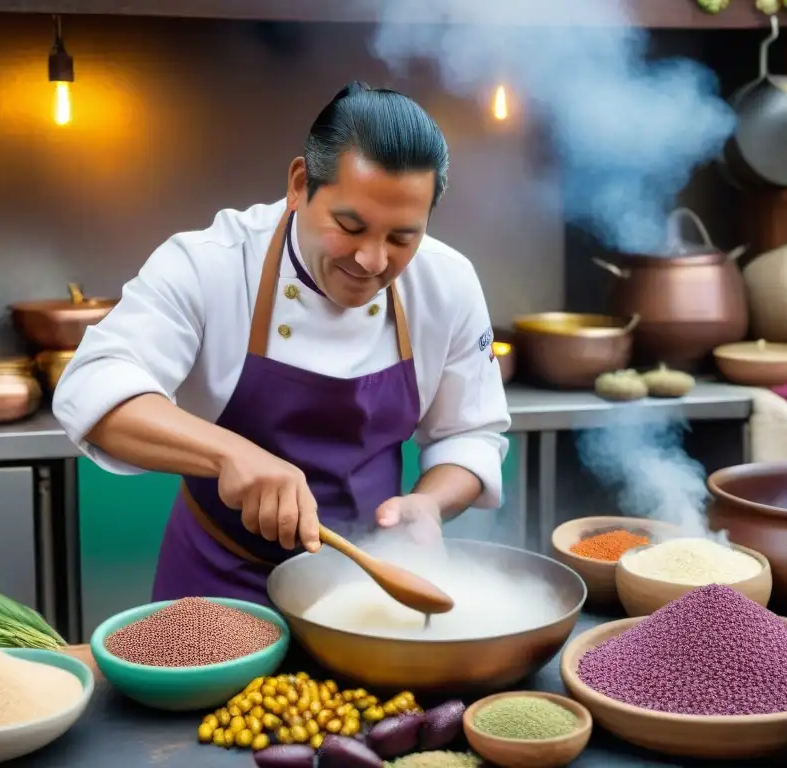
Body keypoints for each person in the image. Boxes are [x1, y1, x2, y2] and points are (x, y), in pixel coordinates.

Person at [53, 82, 511, 605]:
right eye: (349, 226)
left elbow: (470, 434)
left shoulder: (446, 282)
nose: (372, 261)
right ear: (299, 184)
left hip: (367, 589)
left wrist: (429, 504)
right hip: (220, 584)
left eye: (402, 238)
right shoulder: (212, 263)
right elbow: (91, 386)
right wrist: (228, 455)